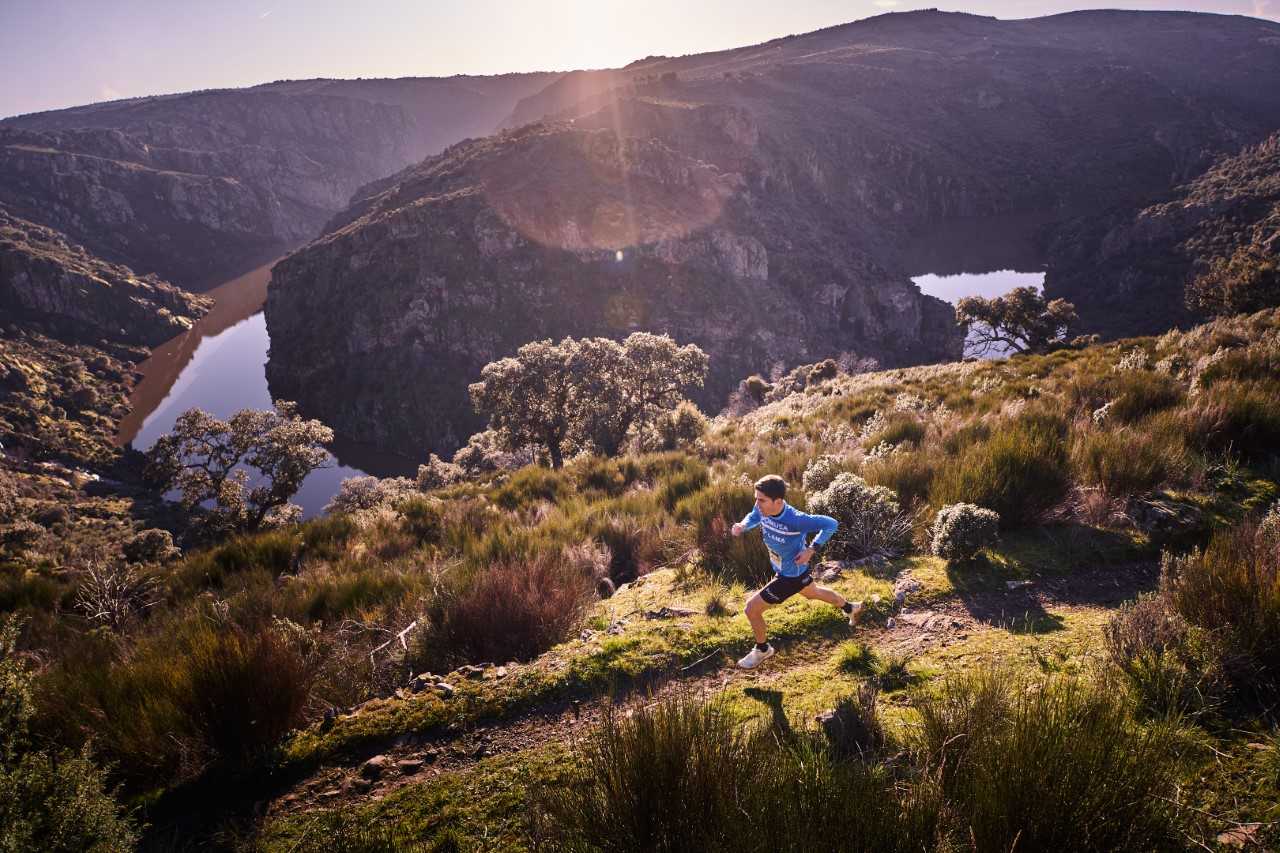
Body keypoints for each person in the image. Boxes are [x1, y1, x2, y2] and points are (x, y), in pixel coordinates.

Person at [731, 474, 862, 668]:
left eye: (762, 500)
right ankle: (851, 608)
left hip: (790, 576)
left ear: (778, 501)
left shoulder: (797, 520)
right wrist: (743, 525)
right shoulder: (762, 508)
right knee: (813, 593)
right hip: (787, 570)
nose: (757, 504)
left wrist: (811, 550)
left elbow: (831, 524)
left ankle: (762, 649)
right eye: (756, 499)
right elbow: (753, 516)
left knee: (752, 609)